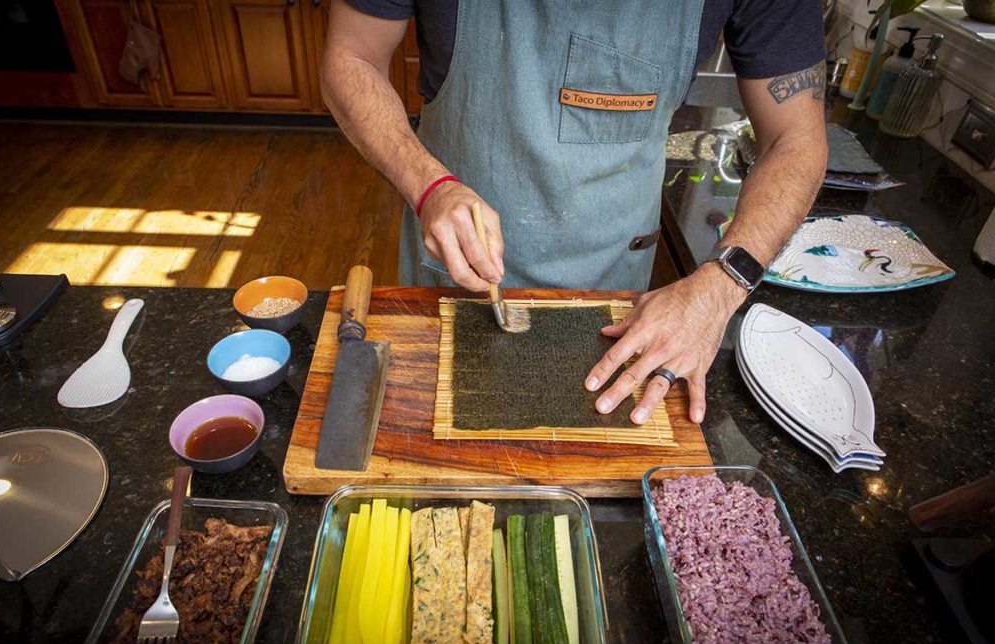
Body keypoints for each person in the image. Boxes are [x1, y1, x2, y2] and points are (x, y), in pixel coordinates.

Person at [322, 0, 828, 426]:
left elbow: (796, 138)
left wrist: (720, 287)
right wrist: (429, 185)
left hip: (614, 284)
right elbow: (352, 56)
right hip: (450, 266)